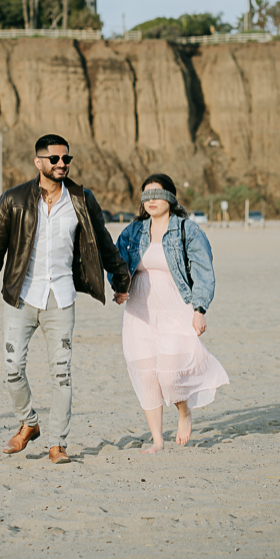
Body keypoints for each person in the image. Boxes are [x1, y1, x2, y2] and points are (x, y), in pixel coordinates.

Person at [0, 134, 131, 465]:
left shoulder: (82, 199)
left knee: (62, 373)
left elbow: (103, 241)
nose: (61, 164)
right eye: (54, 159)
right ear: (38, 162)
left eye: (66, 159)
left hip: (61, 297)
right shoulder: (12, 200)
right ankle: (29, 423)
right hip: (20, 296)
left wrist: (121, 279)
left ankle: (58, 442)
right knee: (12, 368)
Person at [112, 174, 229, 453]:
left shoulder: (187, 230)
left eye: (158, 193)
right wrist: (119, 286)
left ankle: (184, 411)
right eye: (146, 194)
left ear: (172, 198)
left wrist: (200, 309)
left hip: (176, 307)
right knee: (146, 373)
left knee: (169, 374)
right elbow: (116, 262)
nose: (151, 199)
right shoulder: (133, 231)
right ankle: (157, 440)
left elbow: (203, 271)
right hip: (139, 310)